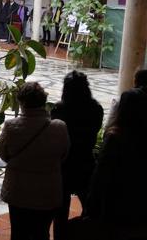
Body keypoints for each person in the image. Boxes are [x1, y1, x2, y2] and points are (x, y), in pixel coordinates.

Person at [0, 82, 69, 240]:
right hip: (47, 192)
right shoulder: (59, 127)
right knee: (41, 233)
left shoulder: (11, 127)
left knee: (18, 233)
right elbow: (63, 155)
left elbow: (4, 155)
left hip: (18, 192)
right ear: (44, 101)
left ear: (21, 102)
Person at [85, 88, 147, 238]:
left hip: (115, 204)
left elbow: (101, 174)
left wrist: (91, 206)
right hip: (140, 205)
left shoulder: (116, 137)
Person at [51, 71, 103, 240]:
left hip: (64, 166)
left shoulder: (59, 109)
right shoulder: (96, 109)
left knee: (60, 213)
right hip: (85, 163)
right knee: (90, 210)